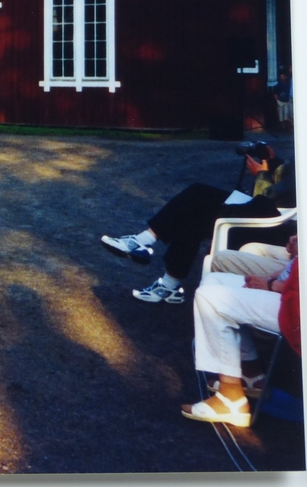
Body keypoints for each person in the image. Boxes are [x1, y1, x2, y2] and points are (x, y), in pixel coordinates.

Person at [101, 146, 295, 303]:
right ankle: (162, 273)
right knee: (197, 196)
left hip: (279, 222)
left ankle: (148, 250)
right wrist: (274, 161)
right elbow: (287, 180)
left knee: (196, 208)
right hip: (267, 210)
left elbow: (277, 196)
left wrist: (261, 174)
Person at [180, 239, 299, 428]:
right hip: (292, 287)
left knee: (209, 298)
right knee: (213, 280)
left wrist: (272, 285)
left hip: (298, 308)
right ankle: (250, 374)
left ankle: (231, 399)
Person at [273, 69, 293, 133]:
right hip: (280, 102)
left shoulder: (289, 84)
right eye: (281, 76)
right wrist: (277, 100)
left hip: (287, 101)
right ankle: (282, 127)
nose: (282, 77)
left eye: (283, 76)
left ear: (286, 77)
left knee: (287, 115)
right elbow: (275, 93)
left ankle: (287, 127)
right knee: (281, 116)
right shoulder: (278, 85)